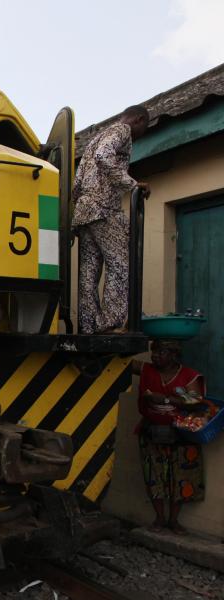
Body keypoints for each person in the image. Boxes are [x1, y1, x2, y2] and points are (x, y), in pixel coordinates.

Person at [72, 105, 150, 334]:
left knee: (89, 273)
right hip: (103, 209)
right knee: (122, 264)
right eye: (146, 126)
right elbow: (103, 157)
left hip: (85, 211)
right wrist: (132, 184)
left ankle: (89, 326)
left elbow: (77, 184)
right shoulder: (122, 131)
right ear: (139, 119)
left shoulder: (96, 138)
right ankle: (109, 322)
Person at [135, 340, 207, 533]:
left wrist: (165, 399)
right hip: (151, 431)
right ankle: (159, 518)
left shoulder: (189, 376)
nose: (155, 355)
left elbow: (196, 402)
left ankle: (174, 520)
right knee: (154, 475)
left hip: (180, 434)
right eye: (154, 352)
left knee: (181, 476)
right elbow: (122, 362)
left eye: (161, 352)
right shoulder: (146, 370)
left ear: (174, 356)